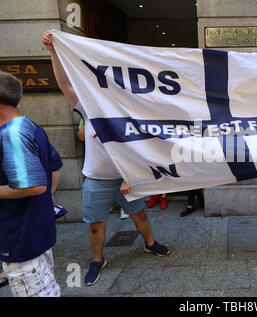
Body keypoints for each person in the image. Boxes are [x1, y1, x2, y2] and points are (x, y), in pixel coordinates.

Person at [43, 30, 171, 287]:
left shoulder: (131, 114)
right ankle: (97, 260)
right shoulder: (89, 108)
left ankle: (149, 244)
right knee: (95, 225)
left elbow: (140, 150)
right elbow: (66, 85)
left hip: (127, 180)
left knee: (140, 217)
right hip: (96, 180)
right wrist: (55, 53)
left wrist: (130, 176)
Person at [0, 71, 61, 297]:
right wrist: (50, 197)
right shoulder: (29, 125)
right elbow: (55, 167)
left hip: (21, 236)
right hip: (37, 230)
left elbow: (34, 186)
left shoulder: (11, 134)